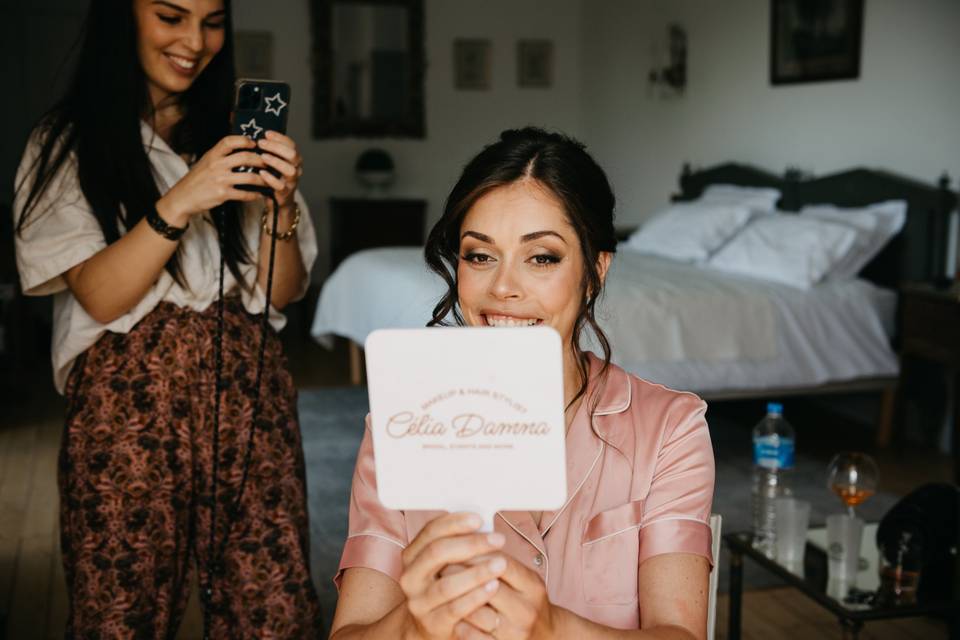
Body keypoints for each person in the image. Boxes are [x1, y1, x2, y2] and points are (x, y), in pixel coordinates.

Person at [329, 127, 716, 640]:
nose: (503, 287)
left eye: (542, 257)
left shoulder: (670, 428)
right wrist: (411, 622)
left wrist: (553, 628)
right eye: (479, 255)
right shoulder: (400, 427)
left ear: (595, 270)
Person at [13, 1, 322, 637]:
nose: (195, 40)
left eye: (212, 21)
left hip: (247, 393)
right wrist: (183, 198)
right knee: (120, 608)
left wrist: (281, 207)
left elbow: (283, 291)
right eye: (171, 16)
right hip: (125, 407)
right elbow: (99, 296)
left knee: (272, 606)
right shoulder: (68, 143)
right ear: (122, 18)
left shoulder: (235, 133)